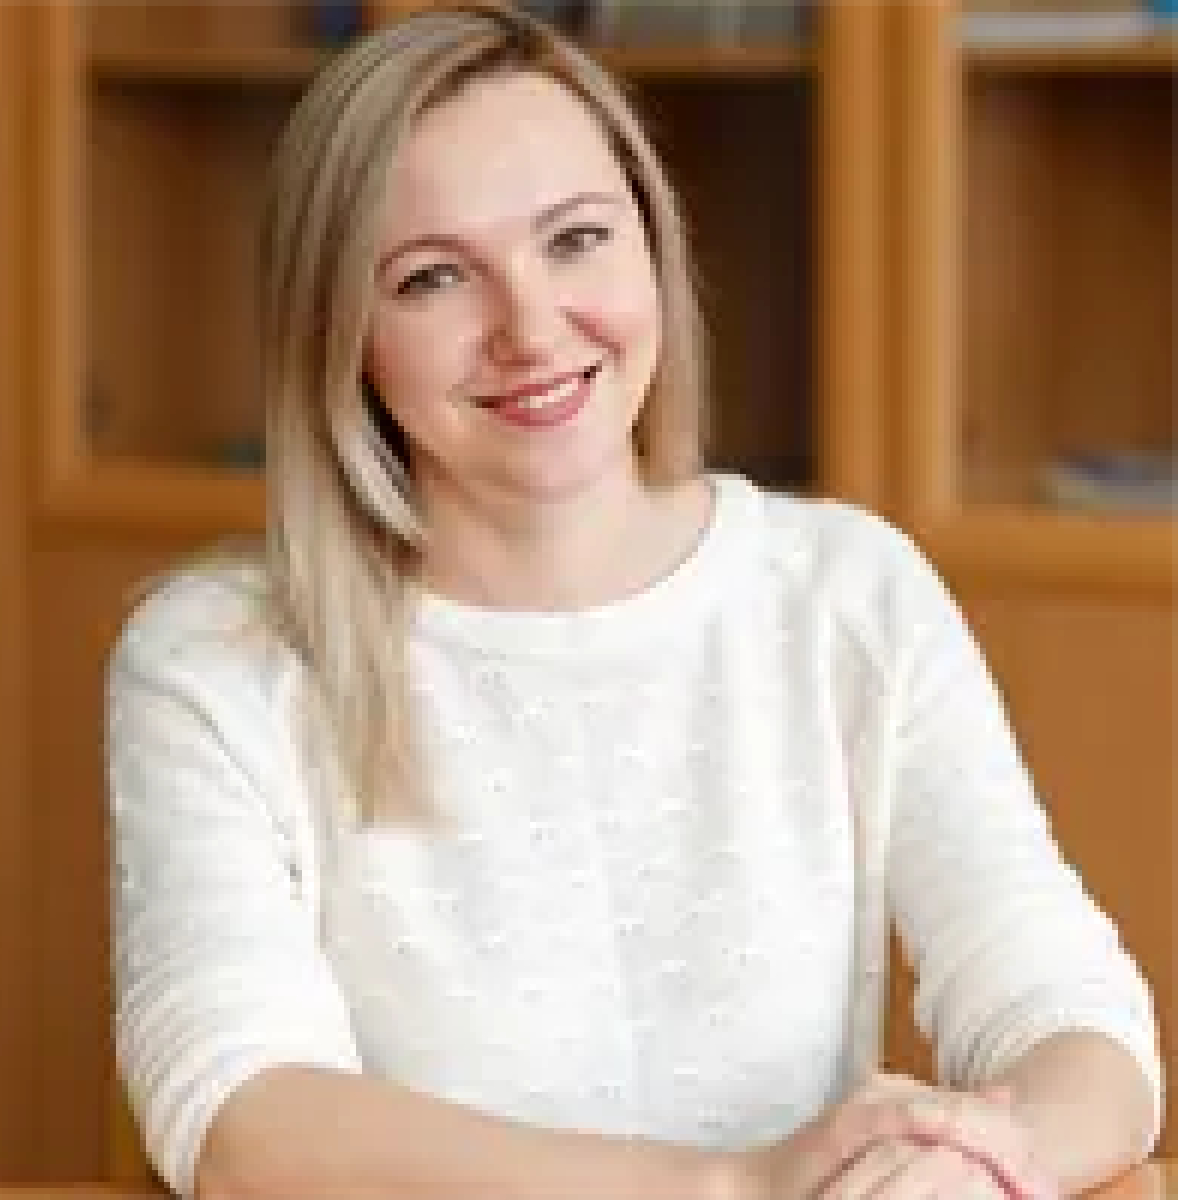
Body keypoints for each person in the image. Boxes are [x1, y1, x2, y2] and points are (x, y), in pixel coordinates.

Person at [107, 5, 1162, 1198]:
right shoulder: (219, 659)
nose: (529, 328)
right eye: (434, 278)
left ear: (653, 250)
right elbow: (241, 1122)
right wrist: (733, 1187)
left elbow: (1073, 1018)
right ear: (340, 333)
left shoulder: (847, 593)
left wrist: (987, 1160)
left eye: (575, 240)